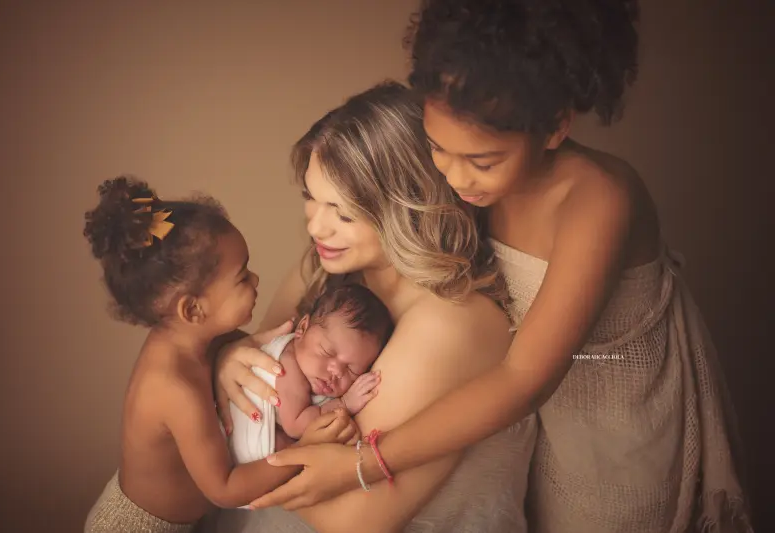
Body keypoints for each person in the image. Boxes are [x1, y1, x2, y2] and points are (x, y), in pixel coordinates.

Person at [219, 1, 753, 532]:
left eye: (481, 161)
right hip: (526, 413)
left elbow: (522, 379)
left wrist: (363, 463)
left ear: (554, 128)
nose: (453, 177)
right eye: (436, 151)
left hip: (614, 414)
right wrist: (228, 355)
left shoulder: (597, 199)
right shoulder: (468, 188)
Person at [206, 82, 538, 533]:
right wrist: (227, 358)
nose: (317, 226)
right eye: (310, 197)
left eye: (342, 213)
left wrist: (251, 440)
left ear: (407, 207)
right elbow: (257, 377)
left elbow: (350, 520)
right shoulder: (325, 271)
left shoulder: (451, 324)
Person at [81, 177, 360, 533]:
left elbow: (265, 354)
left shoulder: (201, 339)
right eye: (242, 278)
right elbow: (226, 489)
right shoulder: (173, 386)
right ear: (193, 310)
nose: (257, 280)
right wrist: (306, 446)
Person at [228, 283, 390, 468]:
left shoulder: (308, 363)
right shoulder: (286, 366)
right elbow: (296, 425)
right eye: (327, 352)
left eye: (351, 370)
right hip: (247, 457)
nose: (336, 372)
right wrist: (344, 404)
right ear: (302, 328)